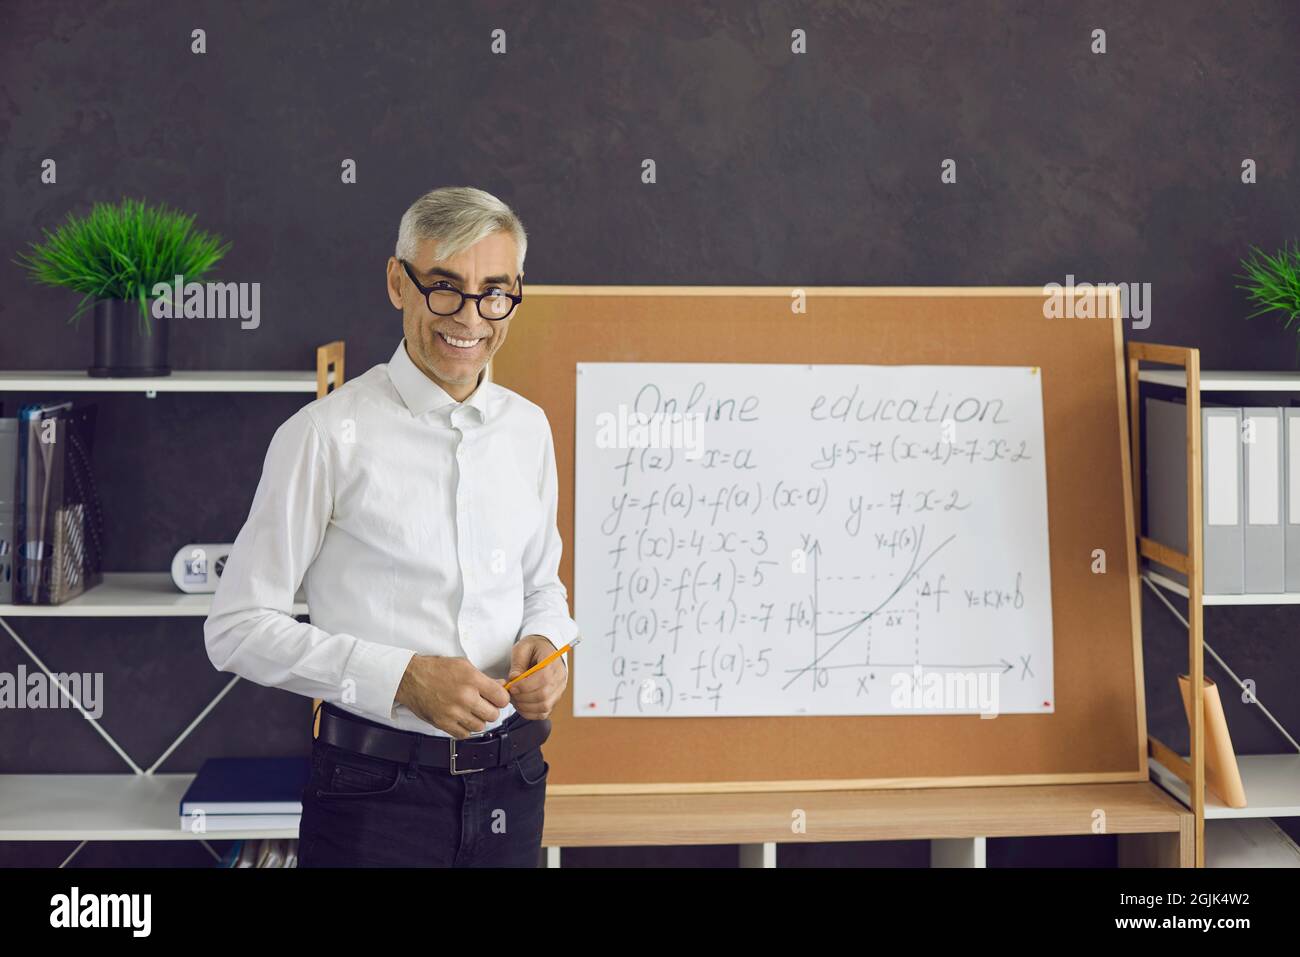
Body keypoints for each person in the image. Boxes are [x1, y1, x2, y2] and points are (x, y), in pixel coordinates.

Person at [204, 186, 576, 867]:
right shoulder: (323, 436)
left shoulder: (529, 429)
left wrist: (548, 645)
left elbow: (540, 584)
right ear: (396, 282)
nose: (471, 317)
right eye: (444, 288)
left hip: (512, 785)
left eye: (495, 292)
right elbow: (235, 629)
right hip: (374, 793)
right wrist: (400, 677)